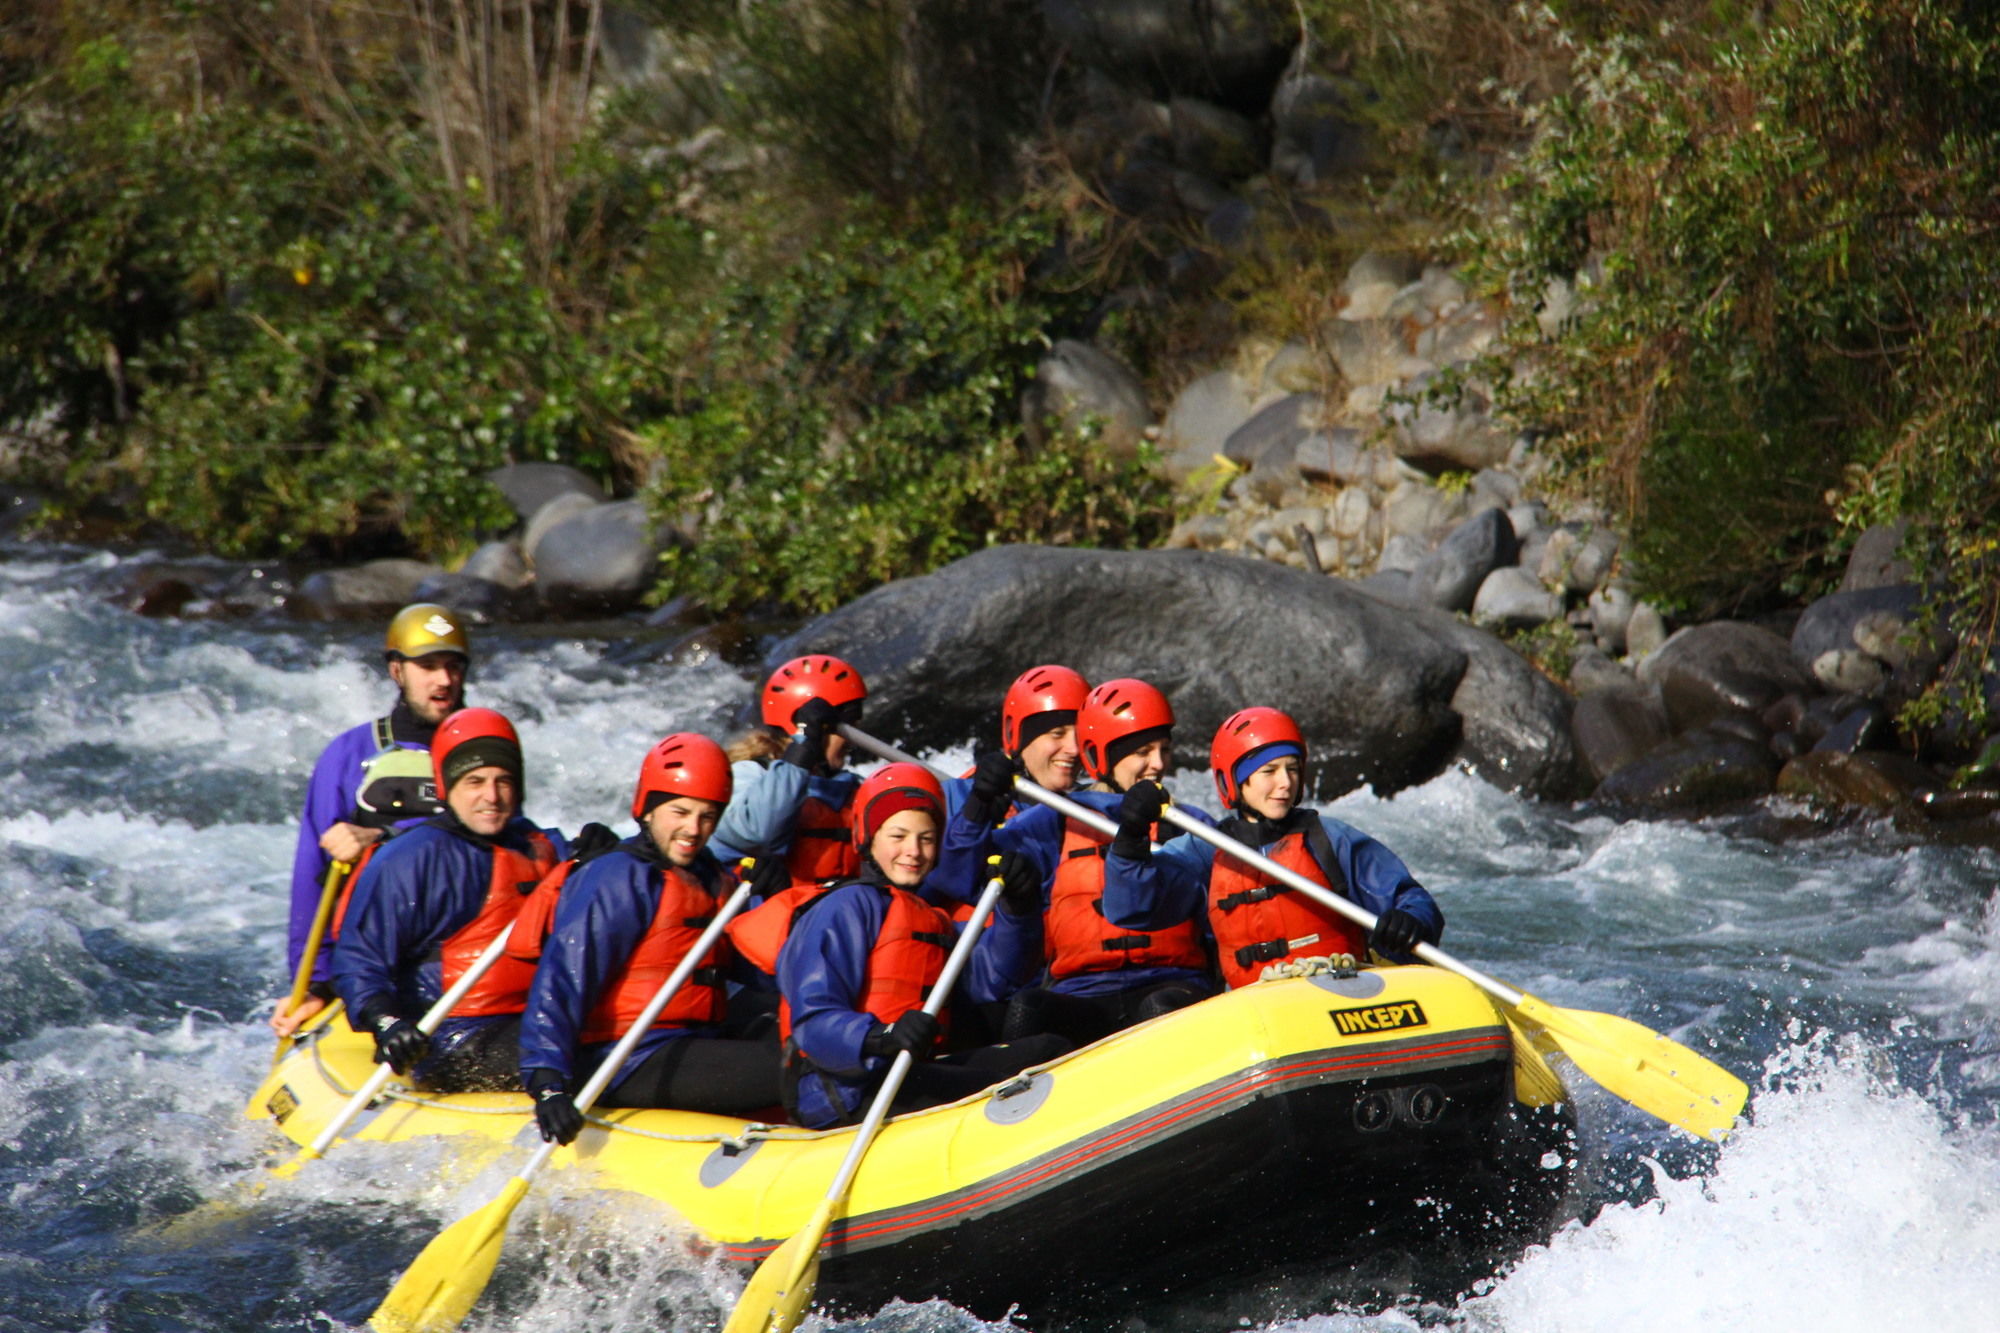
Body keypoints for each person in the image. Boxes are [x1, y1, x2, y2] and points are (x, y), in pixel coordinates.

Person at [517, 733, 780, 1145]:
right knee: (787, 1067)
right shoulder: (617, 877)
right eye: (680, 811)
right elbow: (563, 980)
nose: (693, 829)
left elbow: (760, 969)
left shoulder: (711, 877)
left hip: (693, 1040)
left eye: (708, 816)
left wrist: (776, 898)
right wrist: (547, 1081)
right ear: (648, 808)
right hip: (627, 1057)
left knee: (799, 1037)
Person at [775, 763, 1066, 1129]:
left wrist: (1019, 908)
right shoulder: (845, 908)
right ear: (868, 837)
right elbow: (812, 1021)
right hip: (849, 1087)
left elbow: (996, 976)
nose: (913, 851)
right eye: (898, 836)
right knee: (1004, 1089)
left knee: (1049, 1051)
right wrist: (881, 1036)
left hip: (912, 1069)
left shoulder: (931, 918)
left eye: (926, 838)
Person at [940, 678, 1217, 1047]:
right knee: (1028, 1009)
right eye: (1143, 752)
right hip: (1084, 994)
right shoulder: (1055, 820)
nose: (1159, 764)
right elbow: (958, 876)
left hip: (1173, 984)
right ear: (1102, 756)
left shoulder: (1190, 824)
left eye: (1164, 750)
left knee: (1159, 1008)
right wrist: (978, 807)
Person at [1103, 707, 1443, 988]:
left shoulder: (1330, 838)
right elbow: (1131, 909)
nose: (1285, 782)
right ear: (1234, 781)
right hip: (1257, 1008)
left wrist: (1410, 920)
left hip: (1340, 991)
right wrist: (1131, 837)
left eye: (1292, 769)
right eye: (1269, 771)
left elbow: (1411, 899)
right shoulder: (1205, 851)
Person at [330, 707, 570, 1093]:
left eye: (503, 781)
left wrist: (607, 856)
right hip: (455, 1038)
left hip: (534, 1020)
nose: (491, 796)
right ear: (446, 785)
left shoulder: (541, 845)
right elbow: (359, 960)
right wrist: (386, 1021)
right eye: (475, 781)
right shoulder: (410, 859)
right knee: (580, 1055)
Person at [273, 602, 469, 1037]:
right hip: (374, 956)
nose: (443, 680)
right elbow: (312, 875)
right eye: (428, 666)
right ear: (397, 671)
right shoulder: (348, 754)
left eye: (453, 667)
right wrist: (314, 983)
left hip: (463, 958)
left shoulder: (483, 754)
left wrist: (382, 834)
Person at [708, 654, 867, 887]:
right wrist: (804, 748)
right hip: (763, 906)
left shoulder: (854, 788)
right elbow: (758, 829)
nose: (853, 740)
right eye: (848, 727)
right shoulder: (744, 776)